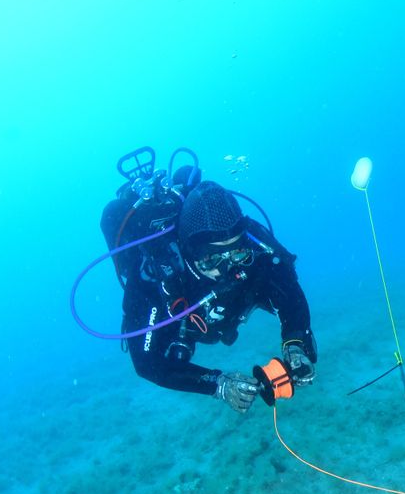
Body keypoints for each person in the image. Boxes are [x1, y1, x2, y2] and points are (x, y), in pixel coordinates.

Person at [105, 175, 317, 412]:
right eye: (212, 260)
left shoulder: (255, 248)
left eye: (237, 254)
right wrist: (217, 384)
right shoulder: (155, 277)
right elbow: (147, 363)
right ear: (190, 253)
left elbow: (289, 292)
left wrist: (296, 343)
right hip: (182, 320)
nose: (229, 270)